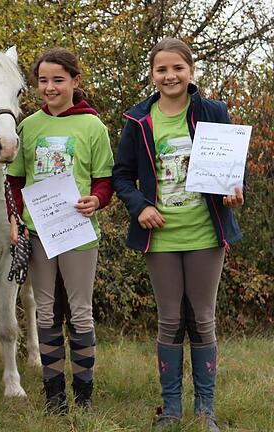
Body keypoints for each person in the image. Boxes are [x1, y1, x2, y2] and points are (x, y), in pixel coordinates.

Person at [112, 38, 243, 432]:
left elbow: (232, 169)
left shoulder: (213, 112)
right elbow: (121, 176)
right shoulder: (138, 121)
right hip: (161, 238)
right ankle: (171, 411)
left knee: (203, 319)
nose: (170, 76)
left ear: (191, 71)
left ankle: (206, 411)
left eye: (177, 68)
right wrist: (141, 206)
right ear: (152, 75)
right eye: (162, 70)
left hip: (205, 233)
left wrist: (235, 192)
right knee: (170, 319)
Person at [7, 48, 114, 414]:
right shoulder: (29, 126)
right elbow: (15, 179)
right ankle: (55, 398)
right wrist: (15, 219)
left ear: (75, 81)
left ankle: (83, 397)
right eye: (43, 81)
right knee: (46, 312)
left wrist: (96, 201)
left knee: (81, 312)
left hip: (78, 231)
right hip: (38, 232)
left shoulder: (92, 126)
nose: (49, 87)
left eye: (58, 80)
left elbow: (104, 180)